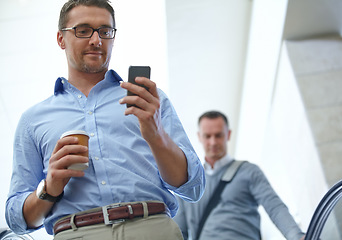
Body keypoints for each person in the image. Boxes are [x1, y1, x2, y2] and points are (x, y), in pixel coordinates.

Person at [5, 1, 205, 239]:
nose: (96, 40)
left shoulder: (149, 100)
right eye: (83, 30)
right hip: (75, 233)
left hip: (152, 229)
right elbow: (17, 219)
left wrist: (157, 135)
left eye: (105, 31)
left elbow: (193, 187)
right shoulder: (32, 120)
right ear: (61, 39)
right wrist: (49, 188)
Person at [174, 110, 305, 240]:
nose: (213, 142)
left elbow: (274, 207)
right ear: (199, 137)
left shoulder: (249, 172)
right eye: (208, 136)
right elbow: (178, 232)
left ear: (228, 134)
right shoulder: (187, 184)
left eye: (218, 135)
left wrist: (296, 236)